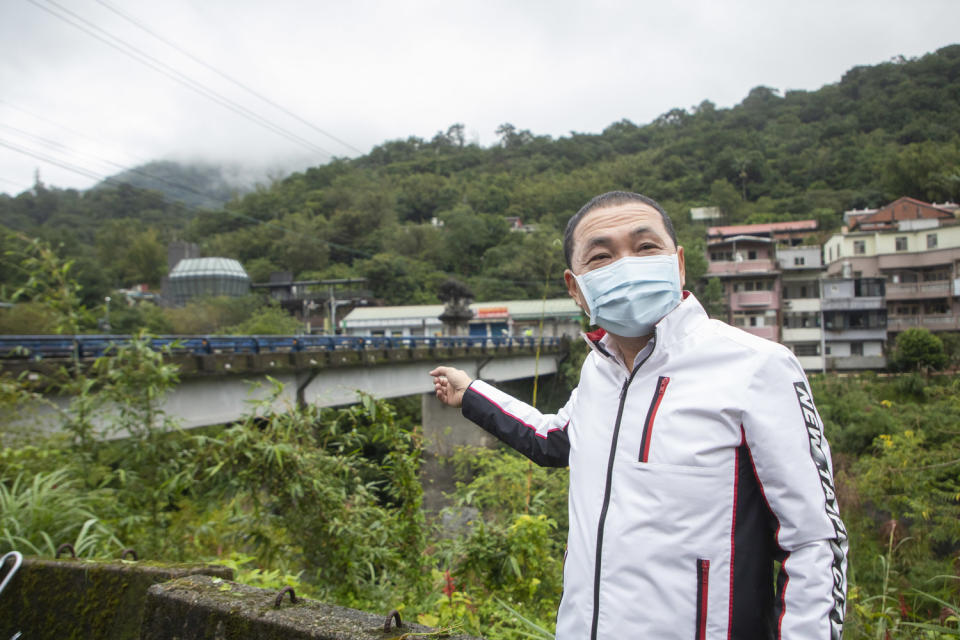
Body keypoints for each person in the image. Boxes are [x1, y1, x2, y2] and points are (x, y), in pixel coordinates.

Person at [430, 191, 848, 640]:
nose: (627, 265)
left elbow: (813, 543)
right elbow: (555, 438)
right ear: (576, 289)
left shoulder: (756, 366)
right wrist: (471, 393)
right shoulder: (599, 369)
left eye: (646, 247)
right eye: (602, 256)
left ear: (679, 263)